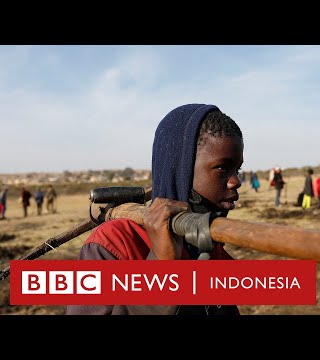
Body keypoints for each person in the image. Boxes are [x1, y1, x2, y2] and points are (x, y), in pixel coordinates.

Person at [66, 103, 244, 316]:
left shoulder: (215, 252)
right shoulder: (114, 243)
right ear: (181, 170)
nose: (236, 181)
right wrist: (161, 266)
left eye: (238, 169)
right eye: (223, 168)